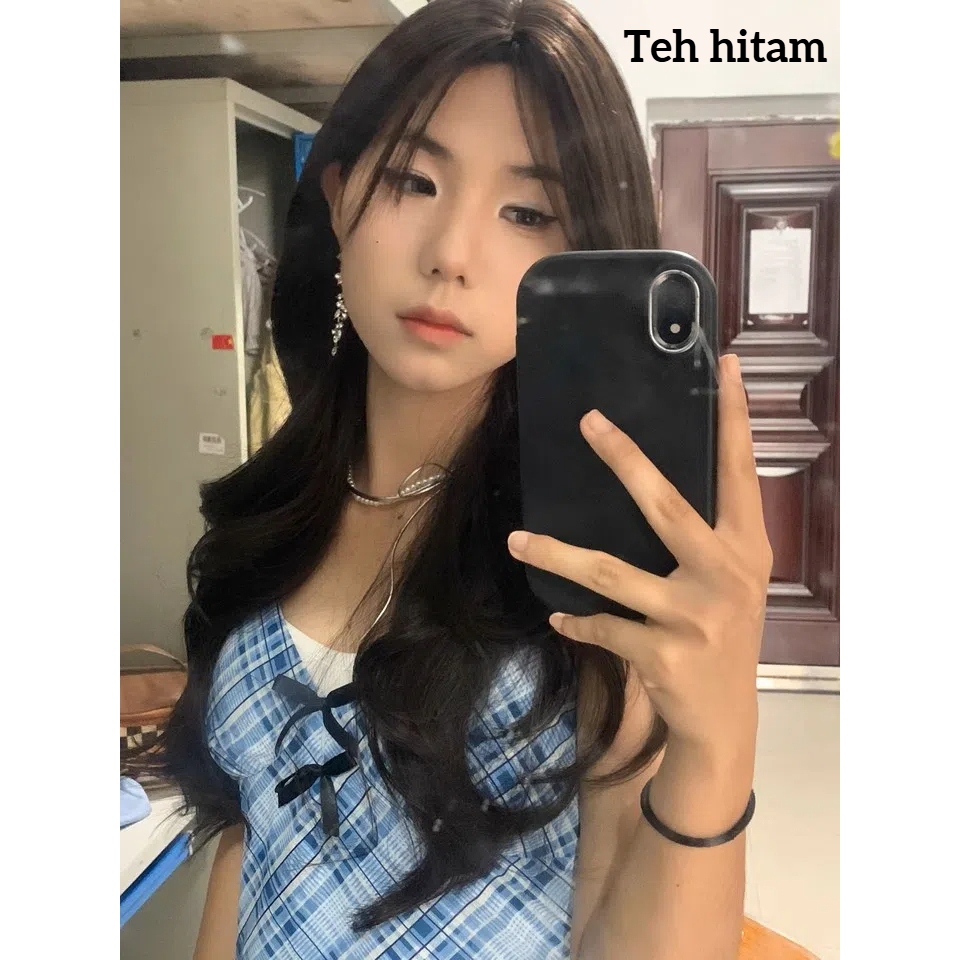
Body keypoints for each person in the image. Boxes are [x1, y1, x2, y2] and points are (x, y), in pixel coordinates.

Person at [149, 1, 773, 957]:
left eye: (527, 212)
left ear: (579, 255)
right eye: (414, 180)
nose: (450, 255)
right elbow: (250, 829)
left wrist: (719, 740)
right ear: (342, 196)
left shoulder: (591, 556)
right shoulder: (274, 507)